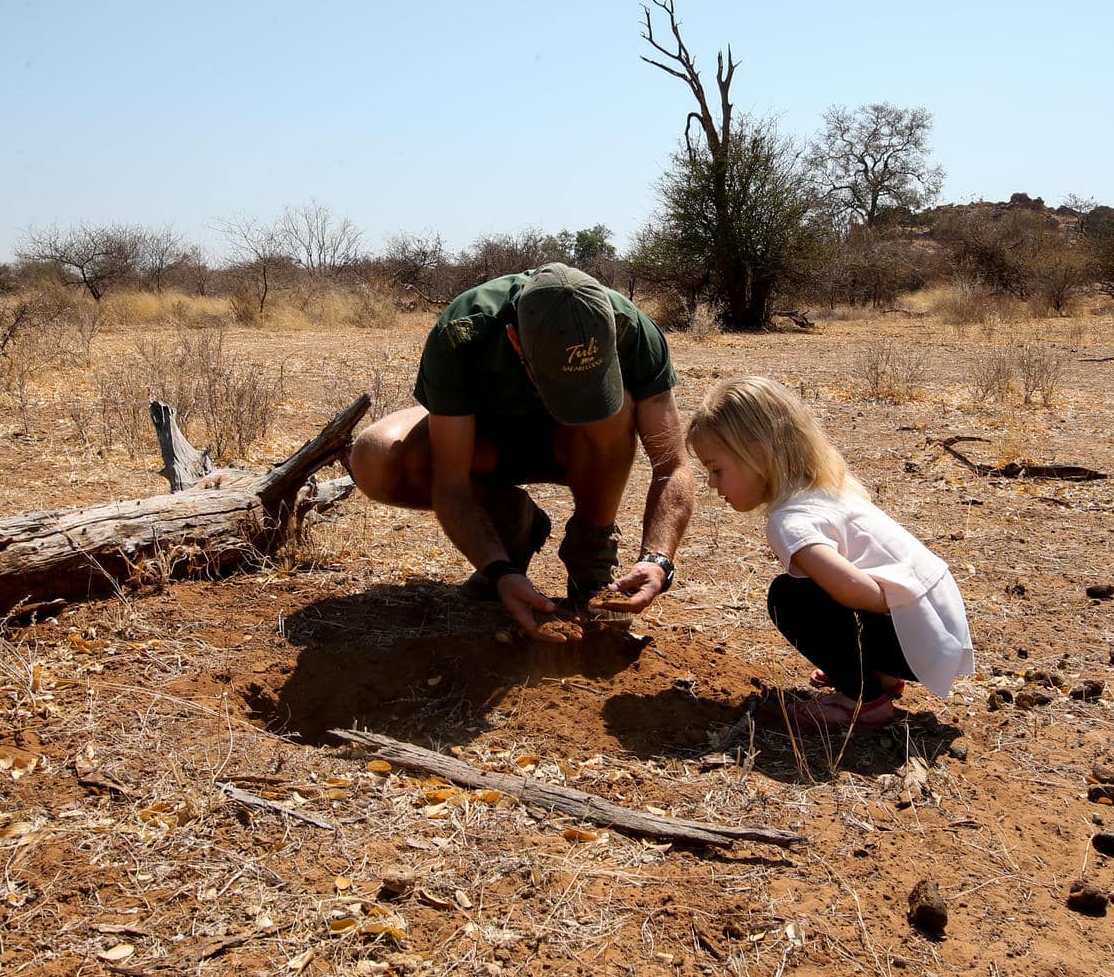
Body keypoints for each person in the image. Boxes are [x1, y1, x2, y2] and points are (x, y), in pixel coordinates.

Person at [350, 263, 694, 642]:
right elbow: (450, 480)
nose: (577, 399)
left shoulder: (635, 331)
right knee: (376, 457)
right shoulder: (463, 331)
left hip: (581, 450)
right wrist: (498, 571)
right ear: (515, 341)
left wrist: (658, 560)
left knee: (619, 407)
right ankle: (513, 526)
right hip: (485, 444)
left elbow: (671, 467)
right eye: (565, 387)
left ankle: (592, 558)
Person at [683, 376, 974, 728]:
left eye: (716, 469)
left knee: (789, 597)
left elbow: (853, 590)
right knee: (817, 587)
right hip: (941, 629)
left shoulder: (790, 520)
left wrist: (901, 605)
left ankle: (863, 699)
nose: (712, 484)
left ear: (758, 456)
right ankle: (878, 674)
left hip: (919, 638)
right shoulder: (825, 490)